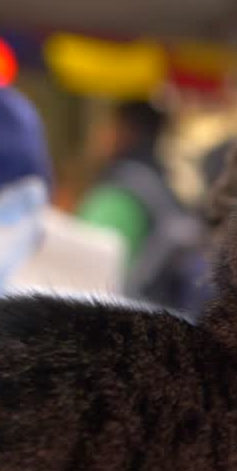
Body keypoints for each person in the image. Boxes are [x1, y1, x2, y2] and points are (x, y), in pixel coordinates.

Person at [77, 100, 203, 312]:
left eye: (107, 126)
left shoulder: (117, 195)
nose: (99, 135)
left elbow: (82, 273)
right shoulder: (160, 185)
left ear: (126, 132)